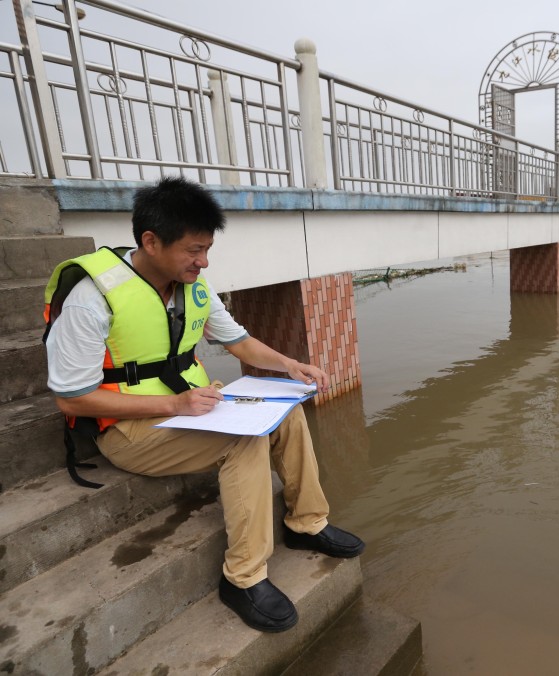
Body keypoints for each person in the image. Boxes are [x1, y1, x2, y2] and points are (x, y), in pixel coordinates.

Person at [43, 175, 364, 633]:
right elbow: (70, 396)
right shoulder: (91, 300)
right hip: (127, 430)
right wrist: (174, 406)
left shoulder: (193, 287)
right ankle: (244, 577)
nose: (203, 261)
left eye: (207, 248)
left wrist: (291, 365)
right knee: (244, 443)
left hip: (193, 407)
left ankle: (306, 523)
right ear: (151, 242)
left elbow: (241, 343)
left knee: (287, 411)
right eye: (194, 250)